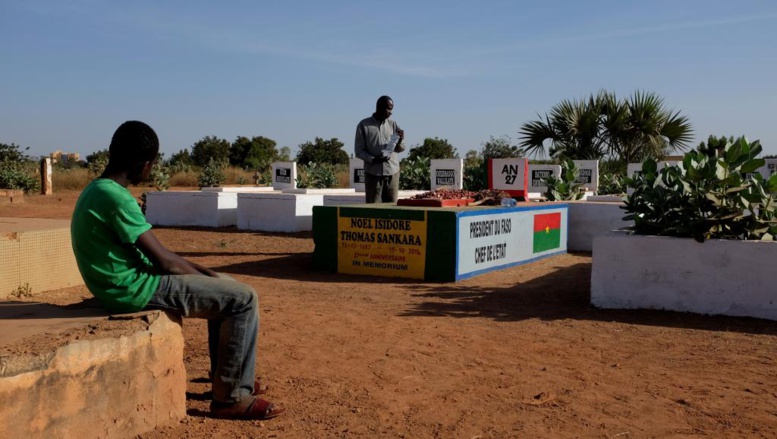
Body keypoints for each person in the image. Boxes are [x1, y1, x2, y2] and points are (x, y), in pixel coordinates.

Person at [70, 121, 284, 420]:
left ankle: (225, 376)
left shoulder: (97, 189)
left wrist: (211, 276)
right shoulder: (116, 198)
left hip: (124, 282)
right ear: (145, 165)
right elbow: (165, 262)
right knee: (243, 299)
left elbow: (164, 258)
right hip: (132, 288)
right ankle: (230, 397)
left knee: (226, 286)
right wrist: (206, 276)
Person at [355, 95, 405, 203]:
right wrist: (373, 159)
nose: (390, 112)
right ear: (379, 107)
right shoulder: (364, 125)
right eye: (388, 109)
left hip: (392, 172)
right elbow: (359, 151)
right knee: (373, 208)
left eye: (391, 109)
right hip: (373, 173)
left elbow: (401, 149)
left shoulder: (393, 124)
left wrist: (400, 140)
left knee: (391, 208)